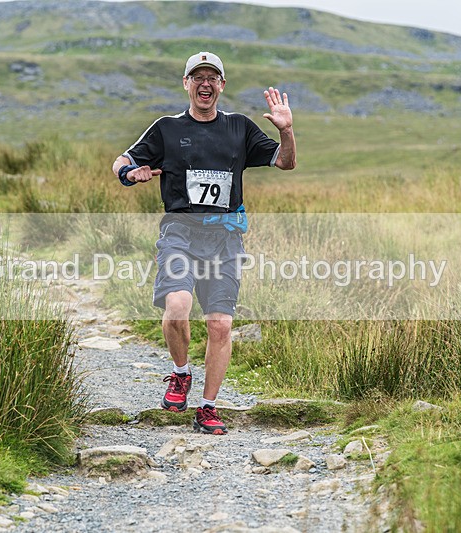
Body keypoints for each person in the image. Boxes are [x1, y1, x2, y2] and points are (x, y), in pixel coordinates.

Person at [112, 52, 296, 434]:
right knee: (177, 306)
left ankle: (208, 407)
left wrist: (286, 130)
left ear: (222, 86)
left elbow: (285, 162)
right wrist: (132, 172)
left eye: (213, 77)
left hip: (225, 238)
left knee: (219, 325)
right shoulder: (165, 128)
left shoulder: (240, 128)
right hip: (180, 231)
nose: (205, 83)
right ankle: (181, 374)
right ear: (186, 84)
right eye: (198, 77)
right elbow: (121, 161)